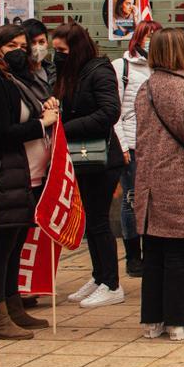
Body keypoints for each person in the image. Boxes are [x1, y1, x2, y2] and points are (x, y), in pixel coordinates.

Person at [134, 28, 184, 341]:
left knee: (152, 251)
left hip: (148, 179)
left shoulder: (146, 88)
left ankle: (152, 321)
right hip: (178, 178)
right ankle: (178, 321)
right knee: (178, 252)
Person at [54, 22, 127, 308]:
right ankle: (99, 276)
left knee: (98, 221)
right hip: (81, 157)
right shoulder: (68, 74)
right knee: (90, 221)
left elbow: (110, 112)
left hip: (100, 158)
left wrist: (66, 127)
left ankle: (111, 283)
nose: (57, 55)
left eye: (62, 50)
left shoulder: (99, 71)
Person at [0, 24, 57, 338]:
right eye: (12, 46)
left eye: (23, 45)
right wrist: (40, 124)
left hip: (24, 173)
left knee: (15, 245)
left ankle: (13, 305)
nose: (20, 51)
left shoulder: (15, 79)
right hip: (4, 174)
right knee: (2, 248)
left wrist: (46, 109)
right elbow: (2, 132)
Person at [112, 20, 161, 279]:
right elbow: (115, 111)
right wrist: (121, 145)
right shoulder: (122, 68)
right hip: (131, 145)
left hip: (155, 146)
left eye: (156, 36)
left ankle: (152, 251)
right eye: (147, 36)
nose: (150, 41)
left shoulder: (161, 68)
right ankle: (133, 256)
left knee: (155, 201)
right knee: (131, 201)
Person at [21, 19, 55, 101]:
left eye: (41, 42)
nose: (37, 47)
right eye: (32, 42)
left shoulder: (53, 70)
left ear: (47, 43)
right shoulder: (17, 74)